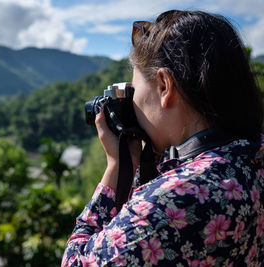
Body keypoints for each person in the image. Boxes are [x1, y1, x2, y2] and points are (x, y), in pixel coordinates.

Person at [62, 10, 264, 266]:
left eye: (135, 91)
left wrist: (116, 167)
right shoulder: (252, 160)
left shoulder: (173, 201)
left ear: (164, 86)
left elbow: (76, 262)